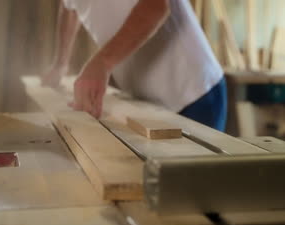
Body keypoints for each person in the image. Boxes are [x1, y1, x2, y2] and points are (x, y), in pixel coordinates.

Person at [44, 0, 227, 131]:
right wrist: (61, 63)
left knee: (188, 185)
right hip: (145, 103)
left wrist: (101, 62)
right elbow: (69, 7)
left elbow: (155, 6)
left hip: (193, 93)